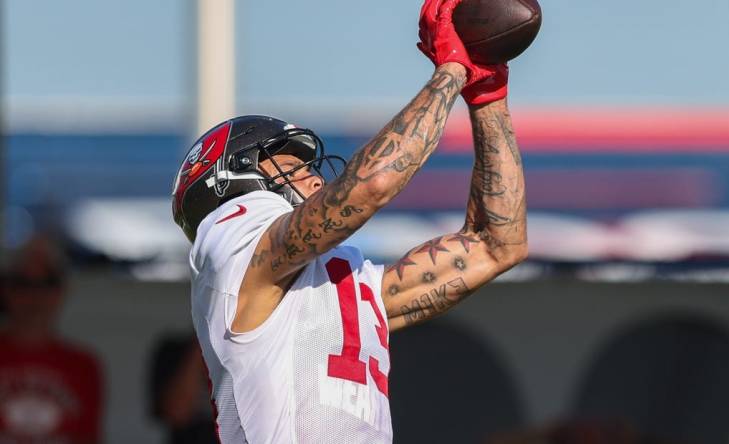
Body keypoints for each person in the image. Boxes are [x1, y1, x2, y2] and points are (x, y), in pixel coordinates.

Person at [170, 0, 527, 441]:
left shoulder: (339, 285)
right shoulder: (229, 239)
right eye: (291, 166)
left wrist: (487, 95)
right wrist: (451, 71)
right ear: (230, 181)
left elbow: (498, 245)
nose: (313, 175)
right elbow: (371, 186)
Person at [0, 236, 103, 443]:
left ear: (61, 291)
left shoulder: (84, 366)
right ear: (5, 289)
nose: (34, 295)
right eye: (22, 283)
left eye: (47, 282)